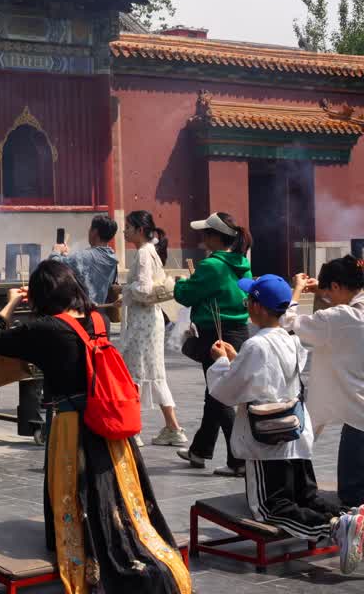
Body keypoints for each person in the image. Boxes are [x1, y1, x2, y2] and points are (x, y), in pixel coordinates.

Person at [0, 261, 192, 594]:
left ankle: (80, 541)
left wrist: (9, 303)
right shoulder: (97, 319)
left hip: (71, 423)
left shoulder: (47, 328)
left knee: (71, 486)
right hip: (106, 417)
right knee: (114, 485)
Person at [206, 274, 363, 572]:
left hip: (268, 436)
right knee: (306, 497)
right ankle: (352, 516)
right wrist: (236, 359)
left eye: (249, 299)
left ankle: (337, 529)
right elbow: (266, 376)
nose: (246, 304)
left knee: (271, 508)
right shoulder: (291, 340)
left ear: (260, 307)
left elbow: (227, 392)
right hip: (294, 431)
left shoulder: (256, 345)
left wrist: (220, 362)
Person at [174, 212, 252, 477]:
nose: (203, 237)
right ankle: (200, 449)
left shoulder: (212, 266)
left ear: (217, 237)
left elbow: (186, 295)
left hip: (216, 334)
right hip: (239, 331)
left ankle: (238, 459)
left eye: (206, 233)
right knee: (215, 391)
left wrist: (181, 283)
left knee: (220, 394)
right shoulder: (242, 261)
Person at [286, 256, 364, 509]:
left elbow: (289, 323)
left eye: (330, 291)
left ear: (339, 287)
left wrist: (297, 290)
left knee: (352, 495)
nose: (327, 297)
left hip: (355, 412)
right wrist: (323, 287)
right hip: (356, 409)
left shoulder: (340, 316)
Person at [122, 212, 187, 448]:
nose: (124, 231)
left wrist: (125, 290)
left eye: (128, 227)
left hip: (143, 320)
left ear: (140, 230)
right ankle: (172, 427)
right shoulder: (150, 250)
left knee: (134, 372)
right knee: (153, 371)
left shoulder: (142, 253)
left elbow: (143, 290)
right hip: (151, 319)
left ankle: (133, 429)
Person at [50, 215, 120, 305]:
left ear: (94, 232)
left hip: (83, 311)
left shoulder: (85, 256)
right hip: (100, 309)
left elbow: (53, 266)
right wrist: (66, 256)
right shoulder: (111, 256)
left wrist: (56, 251)